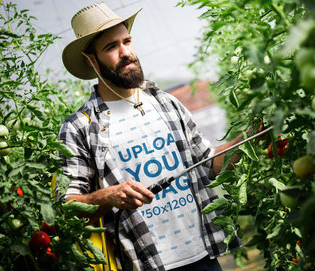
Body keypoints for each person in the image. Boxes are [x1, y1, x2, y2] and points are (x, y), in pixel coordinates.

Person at [57, 3, 243, 271]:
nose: (126, 53)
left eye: (127, 41)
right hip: (146, 264)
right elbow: (66, 206)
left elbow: (207, 164)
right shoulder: (80, 128)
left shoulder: (166, 103)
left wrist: (251, 139)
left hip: (204, 257)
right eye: (111, 47)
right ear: (91, 60)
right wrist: (108, 196)